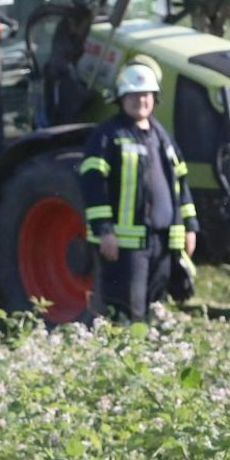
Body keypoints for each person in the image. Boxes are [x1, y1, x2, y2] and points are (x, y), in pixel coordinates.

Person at [76, 62, 198, 322]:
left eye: (146, 94)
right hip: (125, 248)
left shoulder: (163, 137)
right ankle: (131, 356)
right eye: (133, 95)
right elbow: (93, 185)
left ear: (155, 98)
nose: (141, 100)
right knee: (128, 311)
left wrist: (190, 226)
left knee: (156, 310)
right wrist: (104, 230)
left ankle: (150, 356)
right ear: (121, 98)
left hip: (162, 243)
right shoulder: (108, 136)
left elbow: (181, 185)